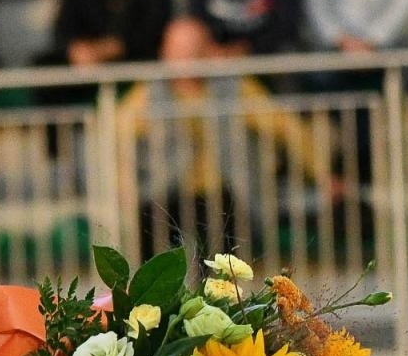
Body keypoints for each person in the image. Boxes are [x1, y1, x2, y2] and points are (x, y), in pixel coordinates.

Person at [117, 16, 323, 259]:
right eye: (179, 50)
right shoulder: (147, 93)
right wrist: (123, 186)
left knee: (226, 231)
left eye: (193, 49)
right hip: (167, 193)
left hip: (225, 195)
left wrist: (322, 172)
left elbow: (285, 127)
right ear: (164, 52)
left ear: (209, 51)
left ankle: (220, 295)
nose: (186, 58)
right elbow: (116, 138)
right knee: (149, 221)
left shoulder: (236, 87)